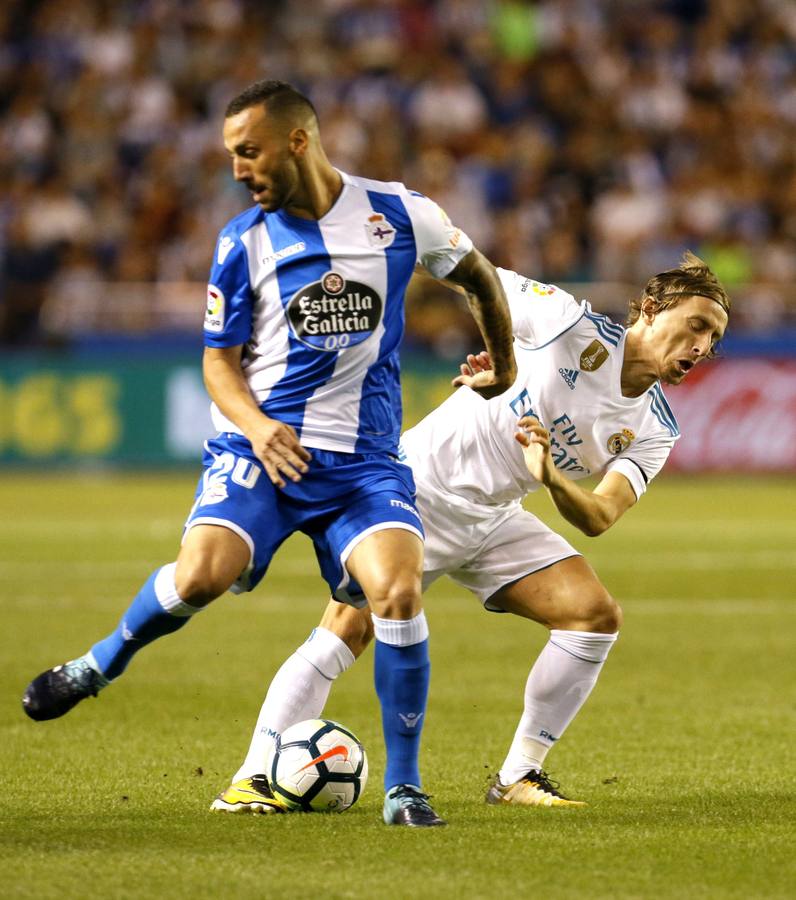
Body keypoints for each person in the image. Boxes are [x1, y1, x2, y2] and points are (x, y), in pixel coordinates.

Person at [21, 80, 518, 829]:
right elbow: (217, 362)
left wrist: (504, 367)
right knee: (201, 576)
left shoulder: (400, 214)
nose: (237, 169)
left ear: (298, 141)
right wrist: (256, 427)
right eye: (231, 154)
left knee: (397, 593)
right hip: (265, 453)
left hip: (363, 465)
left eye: (248, 151)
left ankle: (405, 788)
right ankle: (98, 664)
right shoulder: (242, 242)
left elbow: (477, 276)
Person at [210, 251, 730, 814]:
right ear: (650, 309)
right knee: (346, 631)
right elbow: (467, 271)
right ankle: (252, 778)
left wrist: (550, 477)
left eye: (714, 338)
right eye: (696, 325)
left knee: (593, 615)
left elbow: (601, 515)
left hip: (494, 515)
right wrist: (365, 263)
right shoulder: (566, 323)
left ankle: (517, 776)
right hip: (417, 489)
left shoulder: (655, 427)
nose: (703, 346)